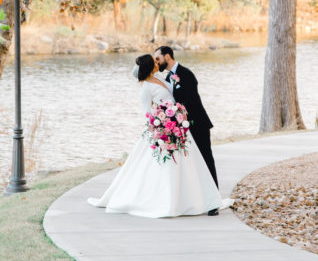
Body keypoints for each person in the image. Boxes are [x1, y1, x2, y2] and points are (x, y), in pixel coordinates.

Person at [87, 54, 230, 218]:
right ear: (149, 66)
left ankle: (196, 198)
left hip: (177, 126)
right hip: (162, 129)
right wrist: (162, 123)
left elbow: (172, 96)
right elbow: (147, 112)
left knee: (190, 164)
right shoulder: (145, 87)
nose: (157, 62)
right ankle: (166, 201)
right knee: (165, 166)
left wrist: (176, 115)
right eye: (154, 61)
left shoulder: (160, 78)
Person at [153, 46, 219, 205]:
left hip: (198, 124)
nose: (157, 62)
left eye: (158, 58)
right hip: (182, 128)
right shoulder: (169, 78)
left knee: (206, 160)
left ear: (167, 56)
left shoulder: (186, 74)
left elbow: (191, 101)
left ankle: (214, 200)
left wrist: (177, 112)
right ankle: (196, 198)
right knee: (191, 163)